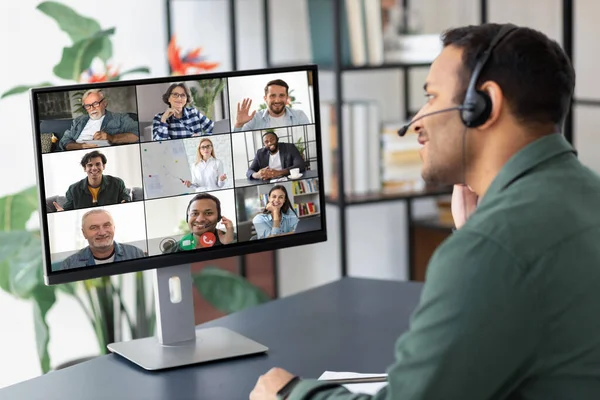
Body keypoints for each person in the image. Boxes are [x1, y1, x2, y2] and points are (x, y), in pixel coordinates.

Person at [250, 23, 600, 399]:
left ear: (484, 105)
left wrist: (290, 394)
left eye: (431, 97)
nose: (415, 121)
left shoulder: (494, 247)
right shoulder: (584, 195)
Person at [59, 209, 145, 270]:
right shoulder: (69, 265)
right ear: (84, 233)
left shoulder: (136, 254)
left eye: (107, 225)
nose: (102, 232)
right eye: (94, 228)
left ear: (114, 228)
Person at [58, 89, 140, 151]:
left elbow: (137, 133)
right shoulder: (78, 121)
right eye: (87, 106)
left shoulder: (120, 118)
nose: (92, 108)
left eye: (95, 103)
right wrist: (81, 146)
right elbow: (64, 141)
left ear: (105, 103)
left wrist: (112, 138)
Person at [54, 150, 130, 211]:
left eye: (98, 164)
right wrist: (61, 213)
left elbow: (126, 200)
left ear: (103, 166)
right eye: (90, 165)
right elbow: (68, 211)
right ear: (84, 168)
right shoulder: (73, 189)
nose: (94, 168)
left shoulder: (117, 183)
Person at [233, 79, 310, 132]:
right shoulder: (255, 119)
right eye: (272, 96)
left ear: (287, 97)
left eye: (281, 95)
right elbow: (236, 143)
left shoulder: (300, 116)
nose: (277, 100)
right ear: (265, 98)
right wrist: (239, 124)